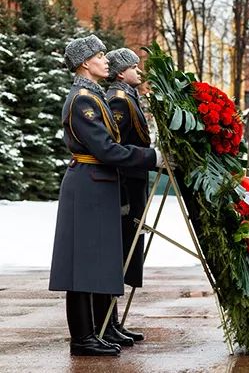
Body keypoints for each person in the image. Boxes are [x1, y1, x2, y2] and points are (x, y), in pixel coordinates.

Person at [48, 35, 164, 356]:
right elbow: (106, 149)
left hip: (96, 182)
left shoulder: (92, 95)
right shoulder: (83, 99)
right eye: (100, 55)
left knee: (96, 260)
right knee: (82, 262)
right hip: (88, 182)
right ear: (86, 63)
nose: (106, 60)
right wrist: (152, 158)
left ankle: (95, 331)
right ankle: (82, 338)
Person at [105, 48, 150, 342]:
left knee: (128, 251)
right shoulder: (118, 100)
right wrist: (121, 196)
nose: (139, 71)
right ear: (121, 72)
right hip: (126, 185)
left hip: (135, 182)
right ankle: (108, 322)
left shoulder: (129, 95)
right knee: (120, 253)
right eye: (134, 67)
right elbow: (115, 147)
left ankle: (113, 322)